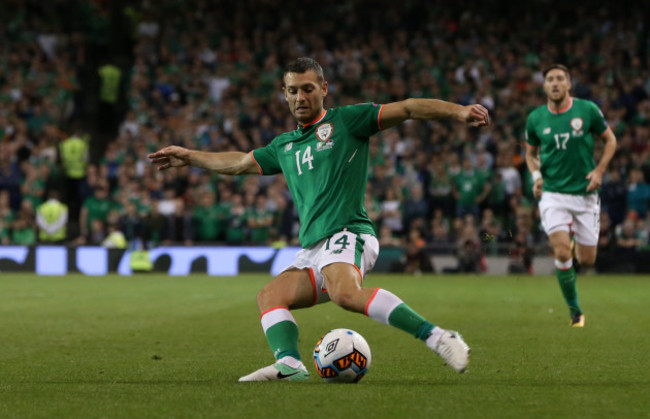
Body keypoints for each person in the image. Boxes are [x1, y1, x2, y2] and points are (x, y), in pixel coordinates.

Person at [149, 57, 489, 382]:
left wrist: (458, 112)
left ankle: (439, 337)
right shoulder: (285, 145)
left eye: (308, 88)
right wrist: (191, 157)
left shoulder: (347, 121)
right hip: (314, 248)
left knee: (344, 294)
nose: (300, 96)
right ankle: (290, 363)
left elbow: (410, 107)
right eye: (293, 90)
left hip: (348, 232)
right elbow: (238, 163)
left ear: (324, 88)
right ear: (284, 94)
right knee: (270, 297)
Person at [525, 64, 617, 328]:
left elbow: (611, 140)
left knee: (587, 260)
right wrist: (536, 177)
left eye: (560, 79)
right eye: (550, 79)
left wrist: (599, 171)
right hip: (553, 194)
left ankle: (573, 244)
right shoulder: (535, 119)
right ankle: (576, 311)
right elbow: (530, 154)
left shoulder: (587, 110)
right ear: (544, 86)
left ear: (568, 84)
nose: (555, 83)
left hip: (586, 194)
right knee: (562, 250)